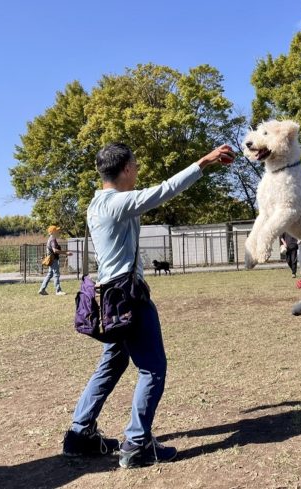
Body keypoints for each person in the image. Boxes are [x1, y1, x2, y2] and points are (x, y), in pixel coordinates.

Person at [62, 142, 235, 469]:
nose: (138, 169)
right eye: (136, 164)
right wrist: (204, 162)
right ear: (126, 168)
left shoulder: (96, 204)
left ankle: (79, 433)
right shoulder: (117, 203)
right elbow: (165, 190)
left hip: (110, 299)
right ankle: (137, 444)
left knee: (112, 364)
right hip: (128, 299)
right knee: (152, 368)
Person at [38, 225, 71, 296]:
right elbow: (55, 250)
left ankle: (42, 289)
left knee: (50, 274)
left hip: (51, 259)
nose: (58, 232)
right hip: (53, 259)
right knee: (56, 274)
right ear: (53, 232)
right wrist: (66, 253)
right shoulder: (52, 239)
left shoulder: (50, 239)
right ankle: (58, 291)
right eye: (57, 231)